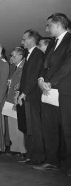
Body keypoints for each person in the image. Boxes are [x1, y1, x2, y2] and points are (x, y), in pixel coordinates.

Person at [34, 13, 71, 177]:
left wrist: (52, 82)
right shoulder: (52, 44)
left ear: (58, 24)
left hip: (64, 90)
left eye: (49, 25)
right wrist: (41, 79)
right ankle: (52, 161)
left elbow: (68, 64)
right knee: (49, 127)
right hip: (48, 91)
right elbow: (45, 64)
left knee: (68, 128)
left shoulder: (70, 40)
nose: (46, 28)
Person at [16, 29, 45, 166]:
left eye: (24, 39)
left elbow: (33, 76)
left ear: (32, 39)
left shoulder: (37, 54)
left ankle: (38, 157)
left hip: (32, 96)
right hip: (26, 96)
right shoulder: (30, 55)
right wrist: (20, 92)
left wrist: (24, 93)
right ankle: (30, 155)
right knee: (27, 126)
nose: (22, 42)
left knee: (34, 127)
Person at [3, 47, 26, 155]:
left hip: (17, 100)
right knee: (12, 126)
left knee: (19, 126)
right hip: (9, 99)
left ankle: (22, 149)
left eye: (13, 55)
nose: (11, 57)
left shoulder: (24, 67)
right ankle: (14, 148)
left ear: (21, 56)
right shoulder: (14, 68)